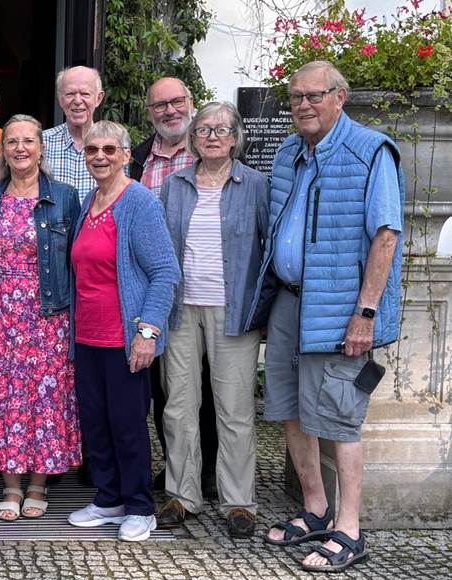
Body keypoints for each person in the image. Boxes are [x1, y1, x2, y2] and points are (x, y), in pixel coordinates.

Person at [252, 61, 403, 573]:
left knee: (340, 416)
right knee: (291, 408)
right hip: (290, 302)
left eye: (315, 95)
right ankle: (315, 509)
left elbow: (386, 235)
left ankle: (350, 528)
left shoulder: (370, 151)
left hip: (340, 309)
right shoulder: (290, 151)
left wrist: (365, 313)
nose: (303, 105)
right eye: (295, 97)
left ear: (341, 97)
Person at [156, 102, 268, 538]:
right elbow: (161, 251)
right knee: (179, 406)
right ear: (193, 138)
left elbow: (269, 252)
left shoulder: (257, 186)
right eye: (203, 129)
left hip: (234, 311)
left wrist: (263, 308)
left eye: (222, 129)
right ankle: (183, 495)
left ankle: (238, 502)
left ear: (236, 137)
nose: (213, 136)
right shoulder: (174, 186)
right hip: (181, 309)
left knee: (235, 409)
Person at [67, 120, 179, 542]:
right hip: (88, 336)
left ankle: (139, 506)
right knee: (95, 422)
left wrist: (148, 332)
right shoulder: (89, 201)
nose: (100, 156)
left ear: (126, 155)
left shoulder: (139, 202)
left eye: (109, 150)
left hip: (125, 336)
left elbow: (165, 272)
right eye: (93, 149)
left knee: (128, 423)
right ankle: (109, 498)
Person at [0, 114, 82, 522]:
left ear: (41, 147)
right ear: (3, 149)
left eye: (28, 141)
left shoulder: (65, 196)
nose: (20, 148)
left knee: (45, 398)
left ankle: (38, 483)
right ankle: (11, 485)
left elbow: (76, 259)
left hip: (48, 315)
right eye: (12, 142)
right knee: (4, 398)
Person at [130, 76, 218, 499]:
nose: (169, 111)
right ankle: (176, 471)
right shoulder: (140, 159)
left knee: (198, 388)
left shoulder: (208, 153)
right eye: (159, 105)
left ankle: (205, 477)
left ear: (191, 102)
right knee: (161, 390)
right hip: (146, 290)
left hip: (198, 286)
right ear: (149, 113)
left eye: (176, 102)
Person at [43, 66, 104, 202]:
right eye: (70, 94)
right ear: (60, 99)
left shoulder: (112, 147)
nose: (77, 100)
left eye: (85, 94)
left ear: (98, 99)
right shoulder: (41, 143)